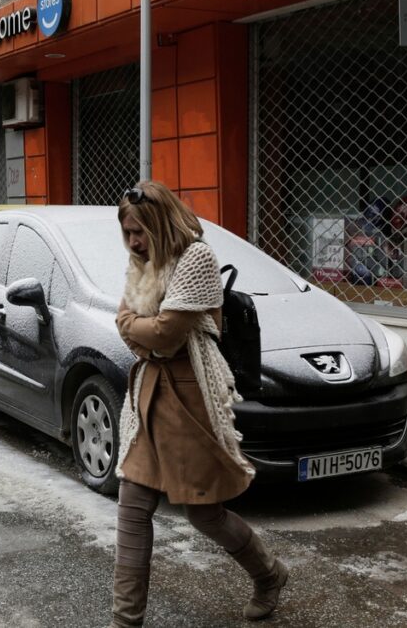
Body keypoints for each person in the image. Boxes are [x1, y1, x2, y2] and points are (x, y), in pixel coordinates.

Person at [110, 181, 288, 627]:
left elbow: (166, 334)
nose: (133, 242)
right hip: (149, 395)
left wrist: (140, 328)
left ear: (161, 222)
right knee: (132, 505)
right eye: (127, 232)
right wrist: (141, 330)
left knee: (204, 513)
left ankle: (269, 575)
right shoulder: (142, 267)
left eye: (140, 231)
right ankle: (124, 620)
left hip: (191, 399)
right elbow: (125, 324)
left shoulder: (196, 259)